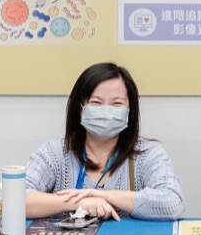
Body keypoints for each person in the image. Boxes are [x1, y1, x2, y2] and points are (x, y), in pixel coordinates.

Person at [24, 62, 183, 222]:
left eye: (117, 103)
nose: (106, 110)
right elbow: (16, 198)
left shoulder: (148, 154)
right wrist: (79, 202)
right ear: (80, 108)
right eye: (96, 103)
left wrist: (105, 196)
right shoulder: (54, 152)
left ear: (130, 110)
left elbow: (173, 203)